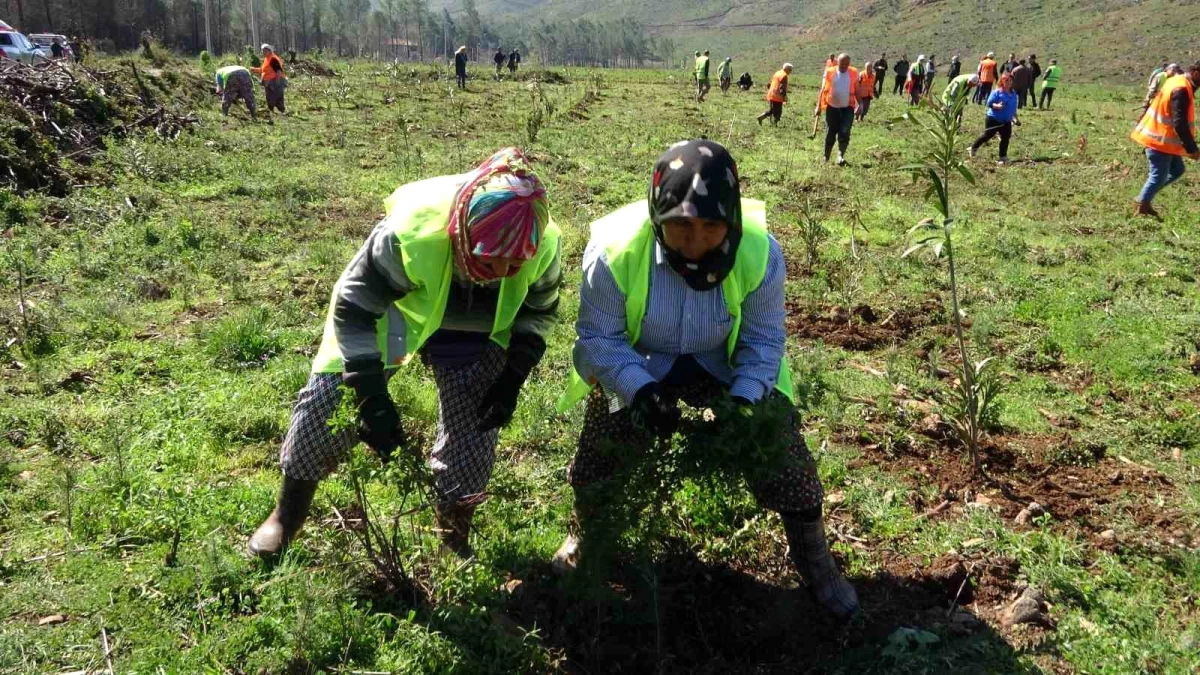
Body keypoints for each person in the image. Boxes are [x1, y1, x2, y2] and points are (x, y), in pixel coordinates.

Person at [552, 138, 860, 622]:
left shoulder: (761, 253)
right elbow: (600, 337)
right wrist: (641, 391)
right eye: (679, 228)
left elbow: (762, 342)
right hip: (642, 361)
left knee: (780, 447)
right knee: (602, 451)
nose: (694, 244)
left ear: (730, 221)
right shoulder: (611, 252)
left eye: (710, 228)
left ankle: (818, 569)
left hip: (723, 363)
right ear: (658, 217)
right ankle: (590, 538)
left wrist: (743, 401)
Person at [247, 148, 563, 559]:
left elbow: (539, 314)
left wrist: (512, 378)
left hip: (480, 328)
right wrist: (369, 395)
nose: (502, 272)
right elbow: (355, 306)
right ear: (463, 233)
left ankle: (453, 534)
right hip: (401, 313)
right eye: (490, 259)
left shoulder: (541, 244)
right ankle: (285, 517)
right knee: (330, 400)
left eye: (514, 263)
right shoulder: (411, 234)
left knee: (475, 426)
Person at [1130, 62, 1200, 218]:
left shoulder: (1178, 81)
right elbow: (1180, 124)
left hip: (1164, 138)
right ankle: (1141, 205)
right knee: (1158, 176)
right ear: (1196, 72)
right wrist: (1192, 149)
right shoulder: (1181, 89)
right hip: (1159, 139)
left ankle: (1145, 198)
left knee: (1177, 170)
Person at [969, 72, 1020, 165]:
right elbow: (989, 103)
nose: (1009, 83)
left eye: (1010, 81)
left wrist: (1015, 118)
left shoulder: (1013, 93)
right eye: (1007, 81)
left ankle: (1002, 157)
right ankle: (973, 148)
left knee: (1005, 138)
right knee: (987, 136)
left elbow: (1013, 107)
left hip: (1007, 121)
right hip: (993, 119)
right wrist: (997, 106)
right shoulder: (997, 92)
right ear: (1002, 81)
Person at [817, 54, 859, 165]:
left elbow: (857, 90)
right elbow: (823, 89)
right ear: (837, 62)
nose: (845, 65)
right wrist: (818, 106)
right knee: (830, 132)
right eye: (842, 63)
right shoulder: (830, 72)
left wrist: (860, 105)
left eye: (847, 63)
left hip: (848, 107)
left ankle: (840, 156)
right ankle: (826, 157)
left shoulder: (854, 72)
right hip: (832, 107)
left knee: (845, 131)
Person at [249, 44, 287, 117]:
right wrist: (253, 69)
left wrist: (277, 82)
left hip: (275, 81)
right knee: (270, 97)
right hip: (269, 82)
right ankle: (272, 111)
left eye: (264, 51)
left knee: (277, 97)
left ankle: (281, 112)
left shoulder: (273, 58)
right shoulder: (267, 59)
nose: (263, 52)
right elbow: (263, 70)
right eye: (262, 51)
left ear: (269, 51)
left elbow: (278, 71)